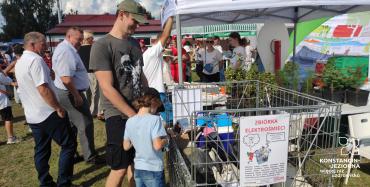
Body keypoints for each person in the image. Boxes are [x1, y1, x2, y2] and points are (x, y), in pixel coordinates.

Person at [89, 0, 148, 186]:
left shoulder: (134, 43)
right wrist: (134, 116)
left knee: (137, 164)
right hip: (118, 116)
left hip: (139, 111)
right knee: (120, 168)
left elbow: (141, 76)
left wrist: (147, 106)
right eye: (134, 21)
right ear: (121, 14)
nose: (137, 26)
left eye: (139, 22)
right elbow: (107, 88)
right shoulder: (102, 46)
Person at [15, 31, 76, 186]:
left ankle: (46, 182)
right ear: (32, 44)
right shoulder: (35, 60)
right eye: (43, 43)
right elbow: (43, 89)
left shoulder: (20, 61)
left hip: (33, 115)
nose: (46, 46)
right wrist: (58, 107)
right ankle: (64, 183)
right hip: (48, 112)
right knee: (69, 144)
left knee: (41, 150)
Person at [52, 27, 102, 165]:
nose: (81, 42)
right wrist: (77, 95)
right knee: (85, 123)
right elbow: (66, 79)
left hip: (69, 91)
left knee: (73, 125)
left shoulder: (66, 49)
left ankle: (72, 153)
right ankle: (90, 156)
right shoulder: (66, 51)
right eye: (78, 39)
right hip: (70, 92)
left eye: (82, 39)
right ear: (69, 36)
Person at [123, 87, 168, 187]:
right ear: (154, 102)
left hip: (138, 169)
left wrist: (138, 138)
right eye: (158, 107)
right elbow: (157, 145)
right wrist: (166, 139)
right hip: (153, 169)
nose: (157, 111)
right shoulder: (155, 120)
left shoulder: (130, 121)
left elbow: (126, 146)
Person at [143, 16, 174, 124]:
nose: (166, 46)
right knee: (167, 120)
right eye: (166, 43)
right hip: (157, 91)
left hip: (151, 91)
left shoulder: (149, 53)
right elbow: (165, 35)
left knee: (157, 120)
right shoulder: (154, 52)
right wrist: (171, 17)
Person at [78, 30, 104, 120]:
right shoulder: (94, 48)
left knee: (86, 93)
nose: (93, 40)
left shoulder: (78, 49)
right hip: (93, 72)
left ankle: (88, 110)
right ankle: (96, 111)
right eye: (92, 38)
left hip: (82, 74)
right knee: (96, 93)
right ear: (88, 39)